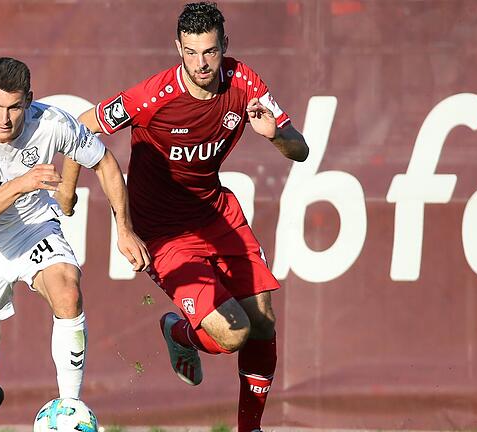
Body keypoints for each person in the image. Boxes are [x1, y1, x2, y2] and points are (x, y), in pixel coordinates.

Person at [58, 3, 308, 431]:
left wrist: (277, 136)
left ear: (224, 45)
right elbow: (77, 127)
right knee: (233, 335)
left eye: (209, 51)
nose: (201, 63)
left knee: (263, 322)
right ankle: (180, 332)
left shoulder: (245, 82)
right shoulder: (152, 97)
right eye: (191, 52)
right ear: (178, 47)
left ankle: (251, 429)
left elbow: (300, 150)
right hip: (163, 232)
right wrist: (67, 192)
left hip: (215, 211)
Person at [0, 57, 150, 432]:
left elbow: (104, 162)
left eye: (14, 107)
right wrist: (20, 183)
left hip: (32, 227)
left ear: (29, 101)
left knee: (68, 290)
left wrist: (124, 229)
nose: (3, 119)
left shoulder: (52, 122)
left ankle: (69, 411)